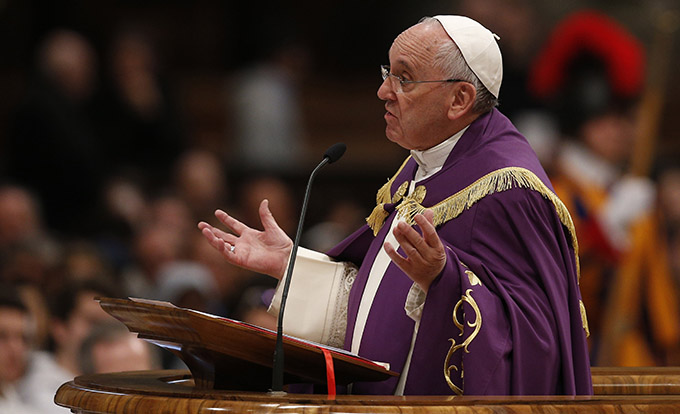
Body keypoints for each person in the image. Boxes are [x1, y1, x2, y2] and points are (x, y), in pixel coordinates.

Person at [199, 15, 591, 395]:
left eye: (404, 78)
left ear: (459, 99)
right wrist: (290, 264)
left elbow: (537, 342)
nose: (383, 91)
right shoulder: (421, 164)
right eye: (387, 72)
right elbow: (377, 305)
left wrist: (444, 280)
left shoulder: (510, 189)